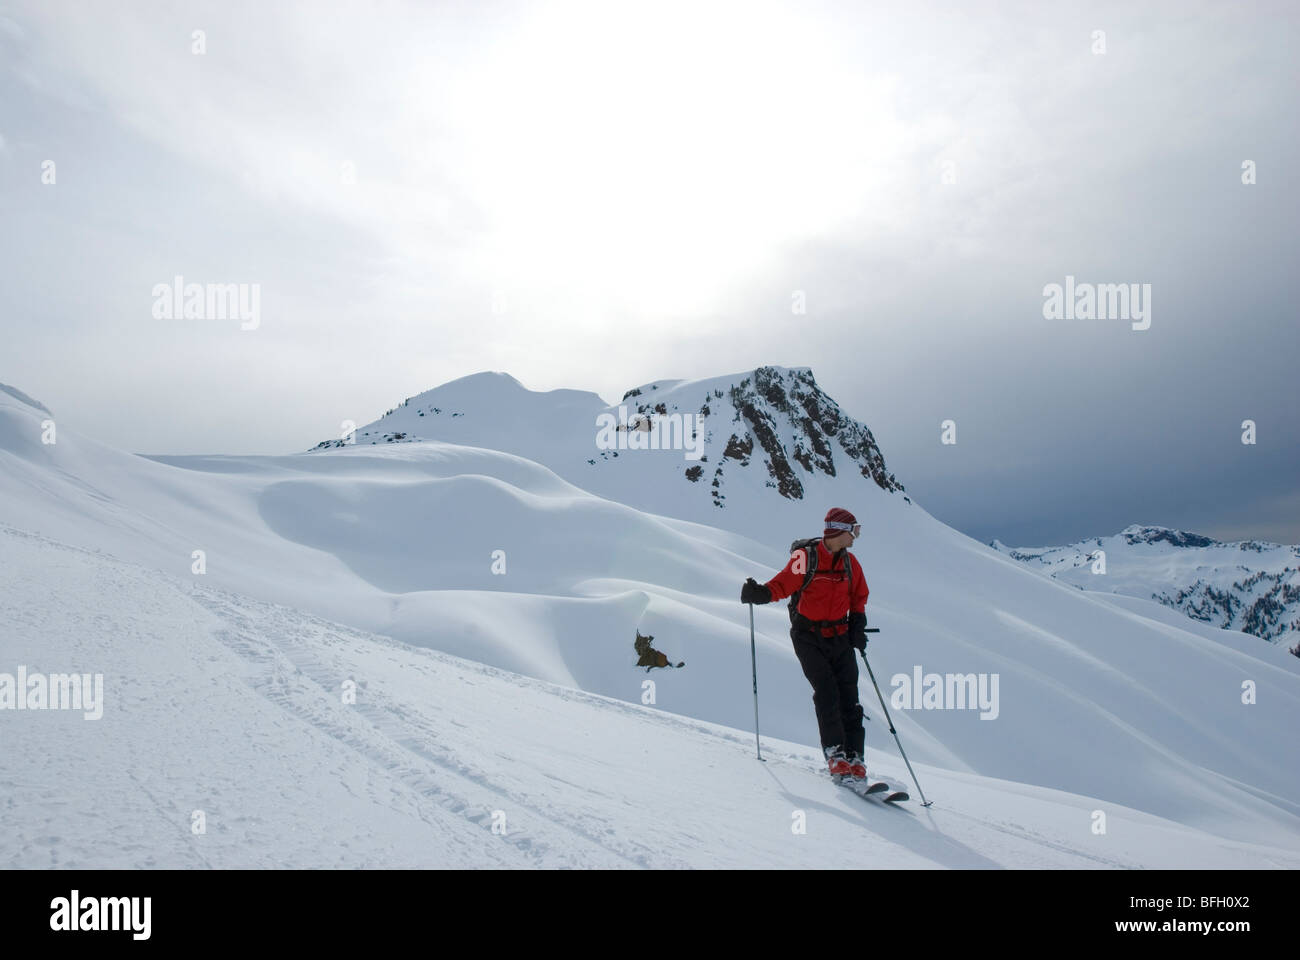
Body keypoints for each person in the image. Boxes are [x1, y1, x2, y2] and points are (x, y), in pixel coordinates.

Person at [741, 507, 870, 780]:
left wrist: (858, 624)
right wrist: (761, 593)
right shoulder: (805, 558)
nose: (856, 536)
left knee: (850, 696)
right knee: (827, 692)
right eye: (854, 530)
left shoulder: (850, 563)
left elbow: (859, 596)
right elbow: (783, 585)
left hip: (840, 637)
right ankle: (836, 755)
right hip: (808, 636)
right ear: (839, 531)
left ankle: (855, 757)